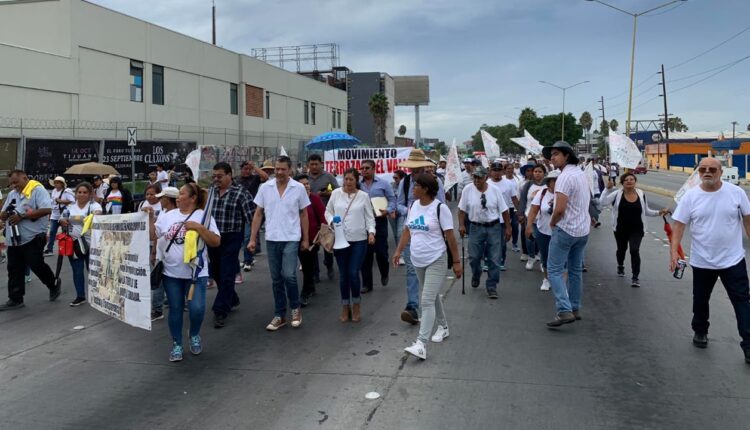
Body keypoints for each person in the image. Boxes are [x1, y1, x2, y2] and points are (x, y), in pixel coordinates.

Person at [669, 157, 750, 363]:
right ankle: (700, 330)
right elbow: (679, 225)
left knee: (742, 301)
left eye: (712, 169)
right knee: (700, 299)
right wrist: (674, 252)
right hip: (703, 260)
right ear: (698, 172)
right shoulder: (691, 197)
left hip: (733, 260)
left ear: (720, 172)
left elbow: (748, 223)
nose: (707, 172)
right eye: (703, 169)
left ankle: (748, 345)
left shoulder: (736, 193)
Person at [394, 173, 462, 360]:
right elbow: (407, 230)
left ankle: (421, 344)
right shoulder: (414, 206)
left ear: (425, 189)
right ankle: (444, 326)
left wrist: (456, 262)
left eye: (416, 186)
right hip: (417, 259)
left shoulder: (440, 209)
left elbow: (450, 238)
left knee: (426, 300)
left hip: (436, 259)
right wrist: (398, 251)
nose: (412, 188)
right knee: (431, 296)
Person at [153, 183, 220, 362]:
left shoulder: (203, 217)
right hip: (171, 273)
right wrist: (147, 217)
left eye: (182, 194)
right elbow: (154, 234)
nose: (178, 196)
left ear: (192, 198)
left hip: (196, 273)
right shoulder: (168, 215)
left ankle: (194, 333)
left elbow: (215, 242)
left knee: (196, 309)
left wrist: (199, 228)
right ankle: (176, 344)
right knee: (175, 309)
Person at [249, 156, 310, 331]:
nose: (279, 172)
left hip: (291, 237)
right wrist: (253, 238)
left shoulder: (298, 188)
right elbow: (258, 214)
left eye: (283, 169)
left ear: (290, 170)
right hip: (272, 238)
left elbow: (303, 214)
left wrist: (305, 239)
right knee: (276, 279)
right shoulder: (265, 188)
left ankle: (295, 309)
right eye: (277, 169)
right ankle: (279, 314)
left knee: (289, 275)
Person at [542, 141, 590, 328]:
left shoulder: (564, 177)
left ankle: (564, 310)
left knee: (553, 269)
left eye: (555, 154)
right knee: (575, 270)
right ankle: (575, 307)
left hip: (566, 228)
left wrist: (553, 222)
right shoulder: (580, 174)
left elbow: (560, 208)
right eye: (551, 154)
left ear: (566, 156)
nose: (552, 158)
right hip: (582, 230)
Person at [396, 149, 447, 324]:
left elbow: (441, 206)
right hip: (411, 229)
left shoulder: (435, 182)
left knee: (427, 277)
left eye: (418, 169)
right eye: (413, 169)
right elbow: (399, 204)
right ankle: (412, 306)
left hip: (430, 233)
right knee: (412, 269)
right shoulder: (405, 182)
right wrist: (410, 210)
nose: (414, 172)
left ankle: (432, 310)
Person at [0, 170, 61, 311]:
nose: (14, 186)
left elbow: (46, 209)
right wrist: (3, 215)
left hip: (33, 236)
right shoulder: (12, 194)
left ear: (25, 178)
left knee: (36, 264)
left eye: (16, 182)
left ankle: (53, 284)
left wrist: (22, 216)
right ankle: (15, 299)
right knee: (14, 268)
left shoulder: (37, 190)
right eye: (11, 184)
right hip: (14, 238)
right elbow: (4, 212)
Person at [208, 162, 254, 328]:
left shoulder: (240, 193)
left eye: (219, 176)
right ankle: (232, 298)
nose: (216, 179)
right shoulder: (211, 191)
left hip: (232, 237)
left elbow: (252, 216)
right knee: (216, 272)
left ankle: (220, 310)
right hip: (213, 236)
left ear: (229, 175)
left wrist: (252, 238)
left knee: (227, 272)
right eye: (214, 176)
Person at [325, 168, 375, 321]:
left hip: (358, 240)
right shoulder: (335, 194)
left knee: (353, 273)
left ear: (356, 180)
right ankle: (345, 306)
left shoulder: (364, 196)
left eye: (351, 180)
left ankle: (357, 305)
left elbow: (369, 217)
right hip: (340, 240)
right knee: (344, 275)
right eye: (345, 179)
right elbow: (328, 211)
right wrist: (332, 220)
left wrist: (371, 232)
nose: (348, 182)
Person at [600, 172, 667, 287]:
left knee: (634, 250)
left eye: (632, 179)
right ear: (622, 183)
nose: (629, 181)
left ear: (635, 182)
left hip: (637, 229)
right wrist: (606, 189)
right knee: (621, 249)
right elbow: (602, 202)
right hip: (620, 228)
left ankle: (635, 277)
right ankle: (620, 265)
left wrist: (658, 212)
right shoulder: (617, 194)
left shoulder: (641, 194)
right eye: (626, 180)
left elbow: (646, 211)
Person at [458, 166, 511, 299]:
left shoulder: (495, 190)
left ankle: (492, 285)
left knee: (494, 258)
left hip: (493, 227)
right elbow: (461, 210)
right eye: (474, 177)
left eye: (479, 178)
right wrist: (461, 225)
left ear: (486, 178)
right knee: (474, 257)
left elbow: (504, 210)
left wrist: (508, 228)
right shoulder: (467, 189)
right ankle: (476, 273)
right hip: (475, 227)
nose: (476, 180)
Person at [59, 182, 102, 306]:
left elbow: (99, 214)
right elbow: (62, 218)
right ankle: (80, 296)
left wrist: (93, 216)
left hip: (92, 244)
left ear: (90, 194)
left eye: (85, 192)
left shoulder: (94, 206)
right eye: (79, 192)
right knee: (77, 271)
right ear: (75, 194)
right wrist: (62, 221)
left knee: (93, 270)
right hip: (74, 243)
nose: (82, 194)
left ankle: (99, 294)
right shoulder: (70, 207)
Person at [359, 159, 396, 293]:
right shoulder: (358, 185)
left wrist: (388, 210)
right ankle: (367, 284)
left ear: (374, 169)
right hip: (363, 222)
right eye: (362, 168)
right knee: (365, 254)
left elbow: (392, 199)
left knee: (381, 252)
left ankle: (384, 272)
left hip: (379, 221)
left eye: (367, 168)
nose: (364, 170)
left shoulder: (383, 184)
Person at [148, 186, 179, 321]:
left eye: (161, 198)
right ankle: (157, 308)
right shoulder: (163, 213)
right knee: (158, 280)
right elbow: (156, 234)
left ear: (168, 199)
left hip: (173, 256)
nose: (159, 200)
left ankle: (175, 303)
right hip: (161, 253)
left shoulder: (179, 214)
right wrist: (154, 251)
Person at [295, 174, 326, 307]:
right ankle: (310, 286)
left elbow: (323, 219)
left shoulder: (314, 199)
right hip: (293, 238)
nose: (306, 186)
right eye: (302, 184)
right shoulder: (292, 199)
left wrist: (320, 236)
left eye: (307, 183)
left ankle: (305, 292)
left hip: (311, 239)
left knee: (307, 267)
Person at [525, 170, 559, 291]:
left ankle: (559, 281)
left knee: (560, 258)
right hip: (544, 231)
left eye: (557, 180)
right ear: (548, 182)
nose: (555, 183)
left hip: (561, 232)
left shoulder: (564, 194)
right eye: (553, 181)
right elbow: (533, 211)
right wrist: (529, 226)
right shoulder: (542, 193)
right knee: (545, 257)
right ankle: (546, 279)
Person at [307, 153, 339, 280]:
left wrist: (326, 193)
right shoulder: (304, 178)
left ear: (321, 164)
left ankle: (329, 265)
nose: (314, 167)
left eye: (316, 164)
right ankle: (315, 272)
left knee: (327, 242)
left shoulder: (328, 177)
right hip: (309, 216)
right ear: (308, 165)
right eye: (311, 164)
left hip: (325, 214)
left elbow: (336, 192)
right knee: (313, 245)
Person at [238, 160, 269, 272]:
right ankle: (248, 257)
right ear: (241, 169)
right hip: (238, 212)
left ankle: (247, 260)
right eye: (245, 169)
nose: (247, 171)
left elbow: (265, 177)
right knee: (240, 238)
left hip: (251, 212)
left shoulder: (254, 178)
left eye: (249, 169)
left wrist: (255, 167)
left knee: (248, 236)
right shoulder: (237, 180)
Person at [488, 161, 519, 270]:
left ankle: (501, 260)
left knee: (502, 242)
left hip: (503, 218)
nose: (496, 173)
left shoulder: (509, 183)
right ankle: (488, 261)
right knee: (489, 241)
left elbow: (514, 199)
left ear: (502, 171)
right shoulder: (486, 183)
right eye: (494, 170)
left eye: (499, 170)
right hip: (489, 218)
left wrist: (520, 213)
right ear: (490, 171)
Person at [518, 165, 547, 270]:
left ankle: (542, 260)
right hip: (530, 216)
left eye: (540, 171)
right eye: (535, 171)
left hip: (544, 218)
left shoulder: (548, 185)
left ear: (544, 173)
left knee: (542, 240)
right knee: (529, 239)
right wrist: (520, 214)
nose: (537, 173)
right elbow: (523, 200)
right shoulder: (528, 185)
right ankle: (531, 257)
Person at [44, 176, 75, 256]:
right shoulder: (54, 191)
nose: (56, 184)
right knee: (52, 232)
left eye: (58, 183)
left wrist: (60, 201)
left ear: (62, 184)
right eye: (55, 183)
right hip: (54, 214)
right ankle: (49, 249)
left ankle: (66, 248)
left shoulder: (67, 191)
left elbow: (72, 201)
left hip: (63, 215)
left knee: (65, 233)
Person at [390, 170, 406, 264]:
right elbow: (389, 198)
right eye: (393, 177)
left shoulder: (405, 186)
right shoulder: (391, 186)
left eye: (396, 178)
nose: (394, 179)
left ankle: (402, 255)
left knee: (400, 232)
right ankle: (398, 253)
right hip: (392, 212)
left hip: (401, 213)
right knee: (396, 234)